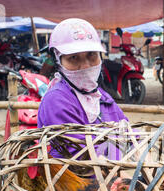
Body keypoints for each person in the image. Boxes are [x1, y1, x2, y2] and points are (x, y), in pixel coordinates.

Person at [38, 18, 128, 160]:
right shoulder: (56, 100)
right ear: (58, 62)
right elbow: (80, 154)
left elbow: (129, 133)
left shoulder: (102, 98)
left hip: (110, 176)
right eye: (74, 58)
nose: (86, 65)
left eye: (91, 55)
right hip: (76, 178)